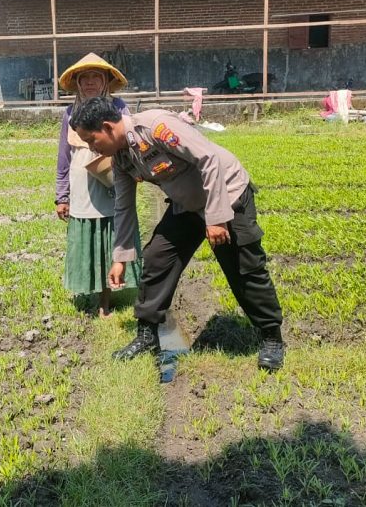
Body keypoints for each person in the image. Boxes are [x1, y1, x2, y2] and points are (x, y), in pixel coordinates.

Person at [69, 96, 286, 371]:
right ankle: (147, 335)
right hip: (187, 204)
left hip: (227, 195)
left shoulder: (156, 127)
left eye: (91, 140)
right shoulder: (122, 158)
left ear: (108, 127)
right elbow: (123, 207)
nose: (91, 148)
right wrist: (120, 258)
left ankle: (271, 337)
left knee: (244, 267)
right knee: (158, 258)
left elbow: (209, 158)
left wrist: (217, 218)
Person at [55, 54, 142, 316]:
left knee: (111, 232)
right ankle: (94, 293)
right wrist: (62, 195)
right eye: (85, 78)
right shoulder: (70, 113)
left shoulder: (118, 107)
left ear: (105, 81)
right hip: (82, 187)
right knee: (89, 234)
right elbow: (63, 157)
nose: (90, 82)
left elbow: (130, 140)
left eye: (96, 77)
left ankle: (105, 299)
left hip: (114, 181)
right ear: (78, 83)